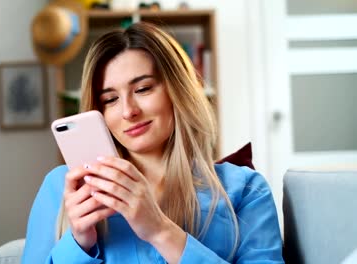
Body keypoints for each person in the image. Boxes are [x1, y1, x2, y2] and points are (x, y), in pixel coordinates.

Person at [22, 22, 284, 263]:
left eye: (143, 89)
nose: (128, 111)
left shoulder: (246, 191)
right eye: (110, 99)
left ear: (177, 91)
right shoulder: (63, 188)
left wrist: (160, 230)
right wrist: (78, 243)